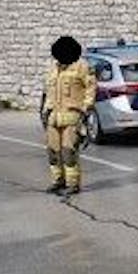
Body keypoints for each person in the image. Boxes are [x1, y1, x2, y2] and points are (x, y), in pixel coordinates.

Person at [40, 35, 96, 195]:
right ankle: (58, 181)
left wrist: (86, 109)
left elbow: (91, 89)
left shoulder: (82, 67)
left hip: (72, 117)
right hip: (53, 117)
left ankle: (73, 184)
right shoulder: (53, 68)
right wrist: (45, 111)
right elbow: (48, 93)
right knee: (53, 151)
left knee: (68, 151)